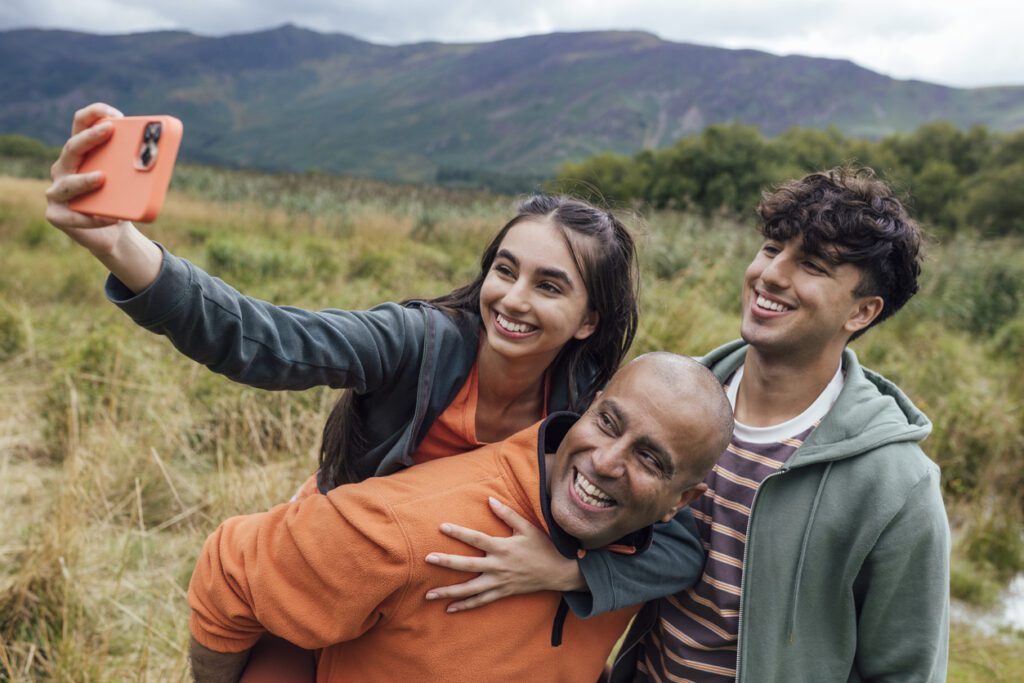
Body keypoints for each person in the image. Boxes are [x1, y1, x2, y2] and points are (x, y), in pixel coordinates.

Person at [44, 105, 705, 636]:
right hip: (342, 566)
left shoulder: (593, 411)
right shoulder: (417, 341)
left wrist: (568, 572)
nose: (513, 298)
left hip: (438, 605)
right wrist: (122, 247)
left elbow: (680, 546)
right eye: (505, 270)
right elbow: (269, 339)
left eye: (549, 286)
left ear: (589, 319)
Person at [187, 353, 734, 682]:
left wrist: (575, 575)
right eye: (609, 423)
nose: (608, 462)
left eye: (649, 458)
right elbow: (228, 572)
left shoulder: (641, 546)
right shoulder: (407, 528)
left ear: (678, 503)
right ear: (586, 409)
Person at [610, 167, 950, 682]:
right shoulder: (673, 406)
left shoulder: (897, 485)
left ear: (862, 311)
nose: (771, 275)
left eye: (811, 265)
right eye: (772, 248)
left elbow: (905, 669)